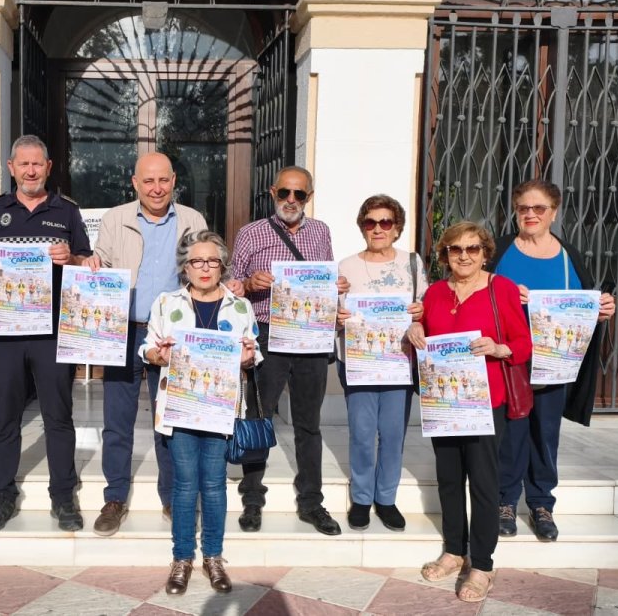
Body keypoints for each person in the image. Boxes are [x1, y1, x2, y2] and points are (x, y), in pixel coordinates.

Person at [0, 135, 92, 532]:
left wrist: (71, 258)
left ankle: (63, 495)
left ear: (48, 168)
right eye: (24, 164)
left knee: (58, 416)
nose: (31, 171)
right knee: (4, 417)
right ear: (11, 167)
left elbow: (87, 265)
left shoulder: (66, 211)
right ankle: (2, 495)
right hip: (4, 330)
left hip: (52, 330)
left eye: (38, 164)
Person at [407, 221, 532, 603]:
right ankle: (453, 550)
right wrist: (414, 327)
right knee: (448, 478)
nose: (464, 256)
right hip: (444, 404)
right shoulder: (435, 293)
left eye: (473, 249)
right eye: (455, 249)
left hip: (485, 403)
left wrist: (498, 348)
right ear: (444, 255)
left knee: (482, 482)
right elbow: (426, 332)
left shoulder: (501, 289)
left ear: (485, 253)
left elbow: (524, 344)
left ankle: (482, 564)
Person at [83, 152, 207, 536]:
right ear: (134, 183)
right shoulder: (114, 218)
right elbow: (100, 259)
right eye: (148, 181)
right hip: (122, 331)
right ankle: (115, 497)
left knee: (170, 421)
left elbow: (205, 267)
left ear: (174, 182)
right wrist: (92, 264)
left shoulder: (192, 220)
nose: (157, 188)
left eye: (164, 180)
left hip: (171, 335)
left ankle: (174, 498)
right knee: (116, 423)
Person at [489, 179, 616, 542]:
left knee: (545, 432)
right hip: (509, 360)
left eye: (538, 209)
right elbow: (476, 293)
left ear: (553, 213)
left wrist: (601, 309)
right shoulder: (499, 252)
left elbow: (585, 304)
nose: (530, 215)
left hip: (554, 361)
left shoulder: (568, 255)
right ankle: (505, 503)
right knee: (511, 432)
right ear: (515, 211)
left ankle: (542, 504)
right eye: (523, 208)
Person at [140, 230, 260, 595]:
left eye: (212, 261)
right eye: (196, 261)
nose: (204, 268)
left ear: (223, 265)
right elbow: (147, 347)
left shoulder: (240, 307)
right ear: (185, 267)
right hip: (180, 410)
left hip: (221, 411)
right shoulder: (166, 303)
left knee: (214, 484)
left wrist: (247, 357)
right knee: (184, 484)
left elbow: (255, 351)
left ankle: (213, 556)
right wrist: (157, 354)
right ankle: (181, 558)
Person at [231, 166, 347, 535]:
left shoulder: (321, 232)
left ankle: (311, 502)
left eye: (300, 194)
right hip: (268, 333)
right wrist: (248, 282)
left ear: (309, 197)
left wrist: (336, 286)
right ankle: (252, 498)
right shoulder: (251, 233)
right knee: (259, 417)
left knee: (308, 425)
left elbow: (323, 285)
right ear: (272, 192)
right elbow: (231, 284)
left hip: (310, 339)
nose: (292, 201)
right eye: (285, 193)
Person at [335, 195, 426, 532]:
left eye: (385, 222)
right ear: (362, 226)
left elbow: (424, 306)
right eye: (370, 222)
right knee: (361, 434)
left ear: (397, 227)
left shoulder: (413, 264)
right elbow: (331, 313)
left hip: (398, 362)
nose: (377, 229)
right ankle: (361, 498)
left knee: (392, 435)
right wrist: (337, 316)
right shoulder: (345, 266)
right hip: (358, 362)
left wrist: (421, 313)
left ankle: (385, 498)